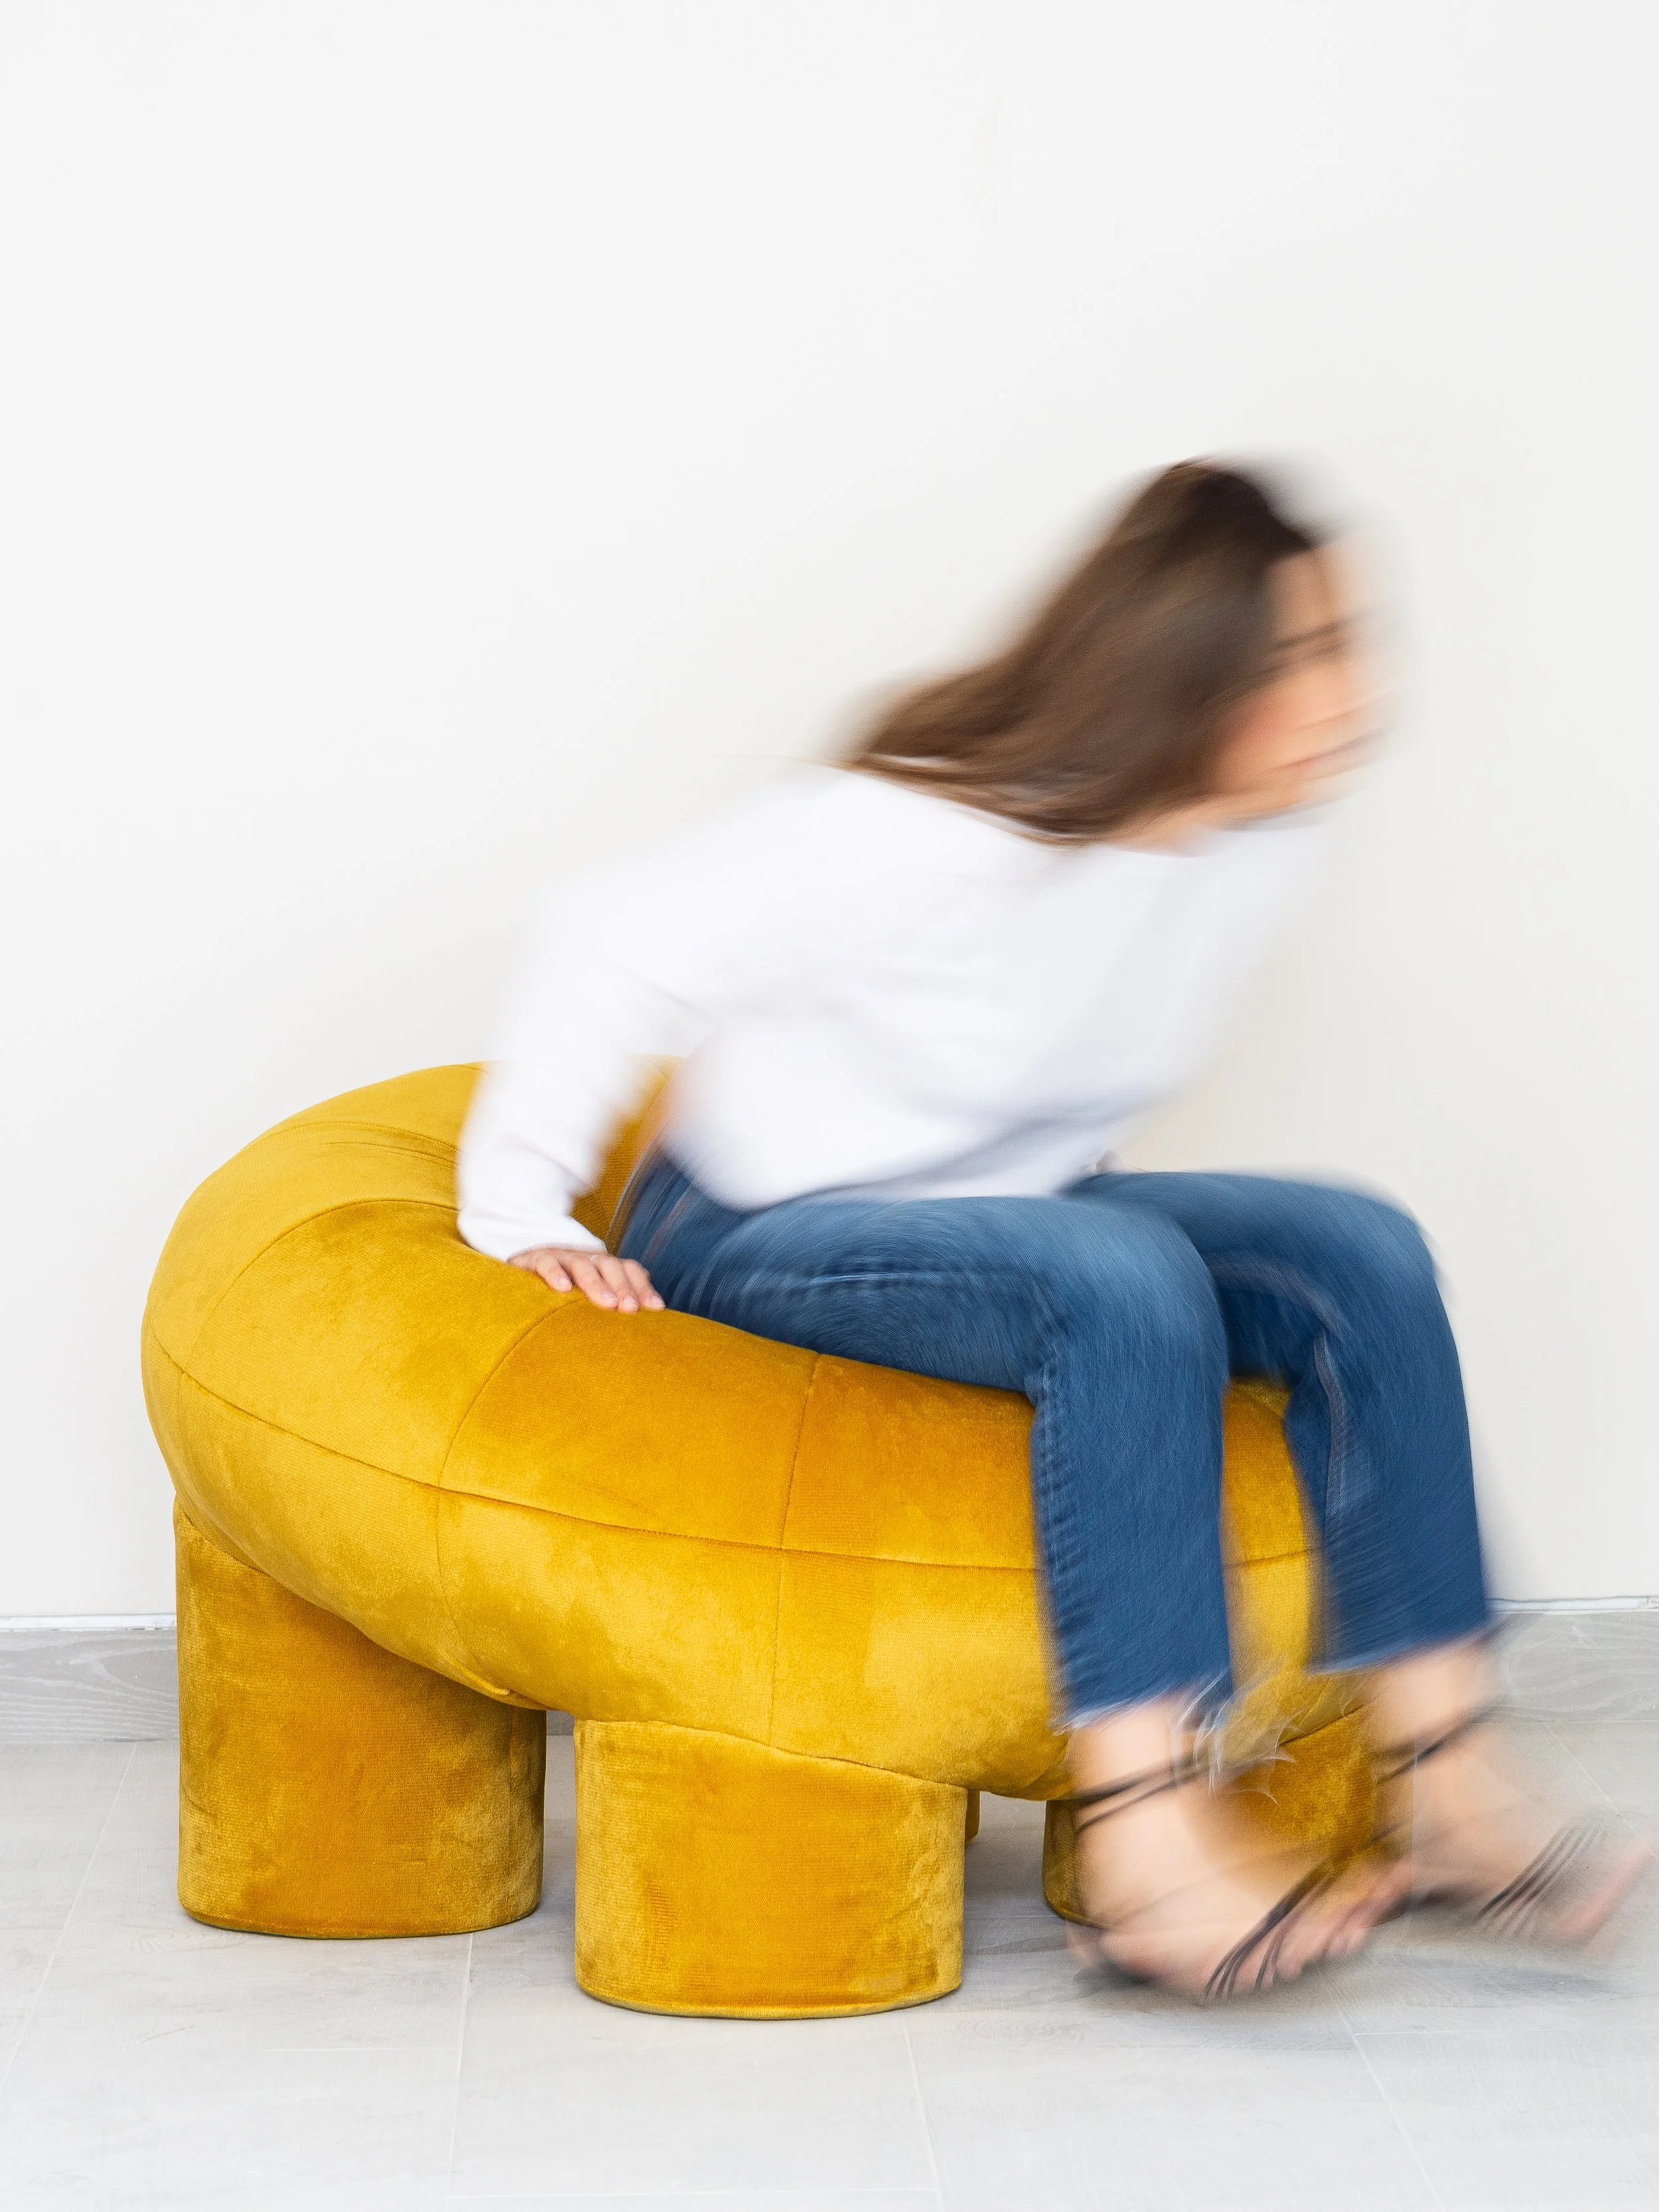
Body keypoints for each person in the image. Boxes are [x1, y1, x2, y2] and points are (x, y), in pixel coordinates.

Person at [457, 461, 1646, 2001]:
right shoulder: (924, 832)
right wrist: (519, 1206)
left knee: (1353, 1245)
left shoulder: (1254, 841)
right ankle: (1146, 1833)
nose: (1348, 694)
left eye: (1346, 643)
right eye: (1297, 657)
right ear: (1182, 672)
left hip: (1003, 1210)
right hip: (755, 1222)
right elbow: (607, 939)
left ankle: (1446, 1777)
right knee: (1118, 1274)